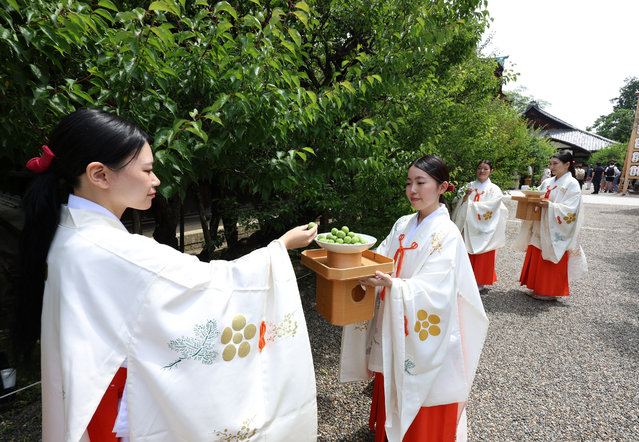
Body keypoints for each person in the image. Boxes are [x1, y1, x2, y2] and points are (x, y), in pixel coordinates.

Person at [21, 109, 318, 441]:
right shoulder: (115, 252)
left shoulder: (67, 230)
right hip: (120, 409)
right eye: (147, 170)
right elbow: (215, 285)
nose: (155, 180)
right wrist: (278, 249)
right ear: (100, 175)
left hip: (94, 399)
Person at [339, 155, 489, 442]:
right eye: (409, 183)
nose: (413, 191)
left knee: (424, 385)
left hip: (424, 327)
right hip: (396, 322)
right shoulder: (402, 224)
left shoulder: (447, 233)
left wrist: (392, 286)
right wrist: (361, 267)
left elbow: (437, 289)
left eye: (421, 182)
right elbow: (380, 258)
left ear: (443, 187)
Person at [514, 149, 588, 301]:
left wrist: (551, 206)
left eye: (555, 164)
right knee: (538, 251)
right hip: (541, 223)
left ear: (567, 164)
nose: (551, 167)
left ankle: (549, 290)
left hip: (556, 226)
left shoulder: (572, 184)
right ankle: (537, 286)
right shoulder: (547, 182)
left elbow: (571, 209)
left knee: (551, 254)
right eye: (551, 164)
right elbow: (538, 196)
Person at [452, 160, 508, 293]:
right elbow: (457, 202)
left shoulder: (494, 189)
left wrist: (474, 208)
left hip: (485, 227)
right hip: (468, 225)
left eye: (485, 169)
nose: (482, 171)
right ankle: (464, 280)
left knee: (484, 253)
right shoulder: (468, 186)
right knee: (466, 252)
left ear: (491, 171)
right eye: (479, 168)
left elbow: (495, 206)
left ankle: (480, 281)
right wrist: (465, 197)